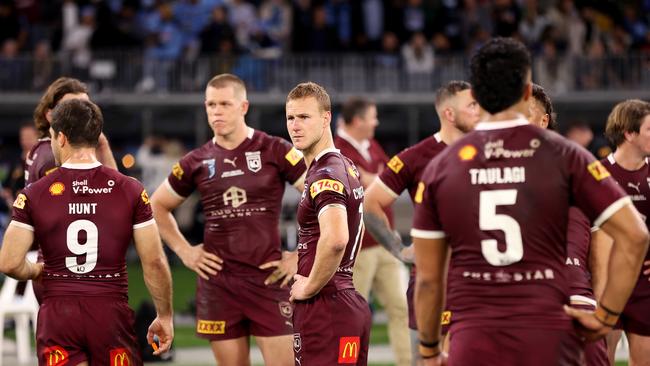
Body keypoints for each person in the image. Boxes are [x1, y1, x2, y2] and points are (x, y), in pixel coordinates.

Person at [411, 37, 648, 366]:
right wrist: (606, 316)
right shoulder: (567, 156)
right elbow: (636, 235)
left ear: (476, 97)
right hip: (551, 332)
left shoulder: (442, 166)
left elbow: (427, 278)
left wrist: (428, 350)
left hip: (476, 335)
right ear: (526, 93)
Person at [0, 98, 173, 366]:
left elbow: (9, 262)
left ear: (61, 138)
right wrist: (165, 316)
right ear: (96, 136)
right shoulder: (130, 189)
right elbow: (154, 261)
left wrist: (37, 270)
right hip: (110, 309)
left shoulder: (34, 192)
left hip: (59, 310)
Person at [150, 73, 306, 366]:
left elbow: (321, 198)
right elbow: (156, 206)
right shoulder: (196, 161)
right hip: (218, 284)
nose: (216, 111)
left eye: (224, 103)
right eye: (210, 105)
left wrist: (300, 255)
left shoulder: (275, 149)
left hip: (269, 280)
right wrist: (185, 251)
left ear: (243, 106)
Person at [362, 80, 480, 362]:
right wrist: (399, 249)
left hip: (481, 276)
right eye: (473, 105)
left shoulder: (492, 149)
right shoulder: (416, 157)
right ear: (449, 114)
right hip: (436, 279)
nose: (480, 111)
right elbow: (370, 202)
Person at [286, 82, 371, 365]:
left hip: (327, 305)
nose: (295, 126)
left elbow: (336, 239)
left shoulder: (326, 174)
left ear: (326, 118)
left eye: (304, 117)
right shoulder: (344, 165)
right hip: (344, 300)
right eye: (290, 118)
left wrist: (309, 286)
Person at [528, 83, 609, 366]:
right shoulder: (489, 165)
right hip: (517, 300)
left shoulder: (577, 164)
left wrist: (604, 309)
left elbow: (606, 242)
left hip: (573, 296)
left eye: (524, 113)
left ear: (543, 120)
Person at [333, 96, 411, 366]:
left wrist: (374, 179)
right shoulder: (336, 149)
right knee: (352, 315)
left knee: (403, 308)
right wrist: (376, 178)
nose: (376, 122)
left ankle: (410, 363)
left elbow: (387, 179)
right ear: (357, 121)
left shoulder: (368, 144)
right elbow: (369, 181)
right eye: (372, 117)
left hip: (383, 243)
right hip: (356, 249)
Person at [597, 99, 650, 365]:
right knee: (602, 357)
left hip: (645, 284)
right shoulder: (597, 174)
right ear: (630, 133)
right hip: (606, 280)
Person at [26, 76, 117, 186]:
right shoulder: (53, 157)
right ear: (50, 115)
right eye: (70, 108)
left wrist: (103, 146)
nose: (81, 114)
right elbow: (113, 193)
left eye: (85, 106)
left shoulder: (43, 148)